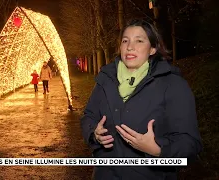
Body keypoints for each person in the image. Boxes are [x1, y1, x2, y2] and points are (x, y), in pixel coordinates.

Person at [80, 19, 202, 179]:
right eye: (125, 41)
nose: (130, 47)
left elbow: (190, 145)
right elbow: (88, 116)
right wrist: (94, 133)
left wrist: (158, 150)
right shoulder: (106, 79)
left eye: (139, 40)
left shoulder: (173, 85)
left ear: (152, 49)